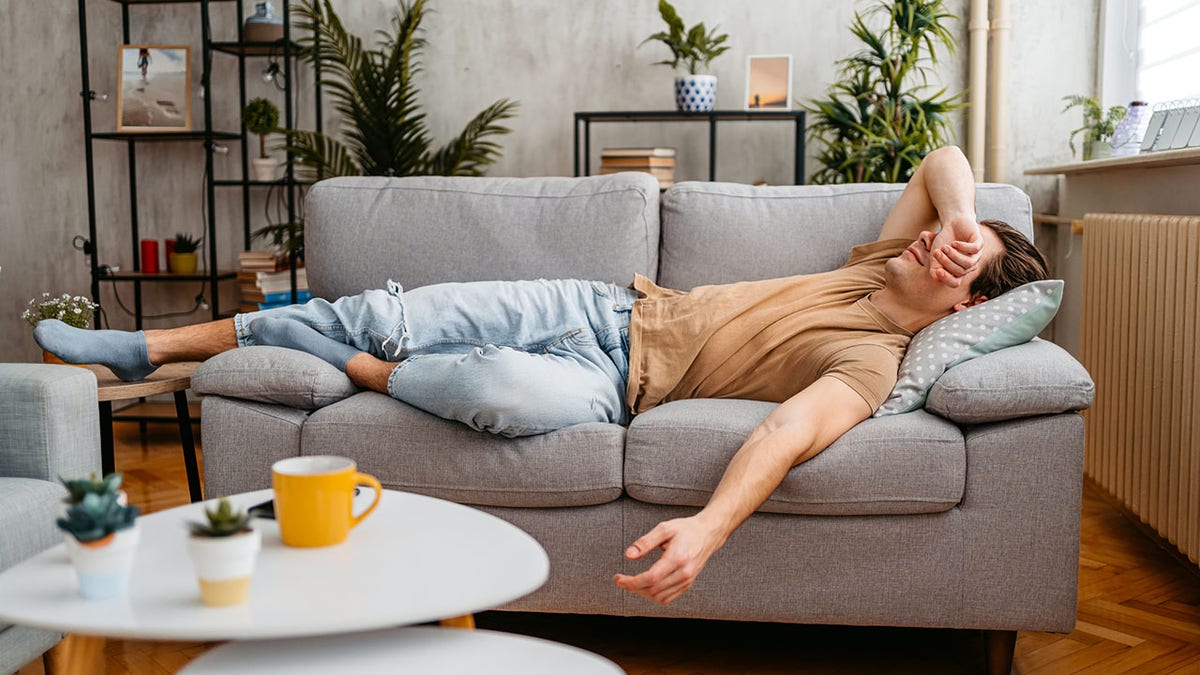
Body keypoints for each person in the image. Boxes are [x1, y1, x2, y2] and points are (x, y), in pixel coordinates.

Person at [35, 146, 1048, 605]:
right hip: (604, 308)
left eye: (961, 259)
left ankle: (343, 360)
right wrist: (964, 220)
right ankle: (153, 347)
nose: (937, 247)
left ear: (966, 305)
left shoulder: (871, 363)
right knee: (397, 309)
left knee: (496, 395)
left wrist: (707, 526)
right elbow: (943, 157)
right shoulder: (881, 258)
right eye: (945, 238)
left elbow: (785, 433)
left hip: (613, 392)